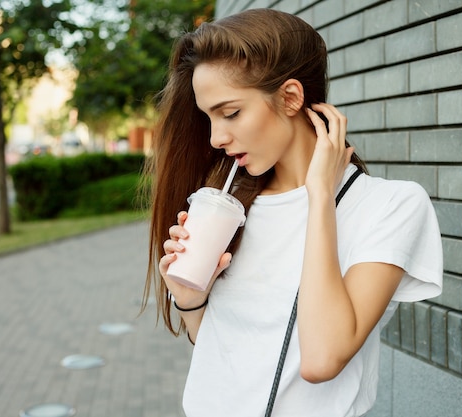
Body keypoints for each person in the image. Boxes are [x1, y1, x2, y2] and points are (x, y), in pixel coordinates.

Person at [142, 8, 443, 417]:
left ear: (290, 97)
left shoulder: (390, 206)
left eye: (230, 113)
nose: (216, 137)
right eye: (208, 117)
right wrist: (192, 299)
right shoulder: (229, 208)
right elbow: (225, 356)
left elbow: (322, 360)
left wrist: (319, 198)